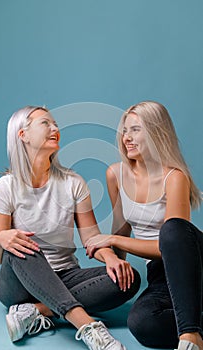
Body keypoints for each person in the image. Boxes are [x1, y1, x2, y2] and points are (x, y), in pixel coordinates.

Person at [0, 106, 141, 350]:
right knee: (23, 244)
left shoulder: (73, 183)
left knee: (127, 278)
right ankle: (88, 327)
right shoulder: (5, 187)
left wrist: (111, 258)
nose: (55, 129)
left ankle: (36, 311)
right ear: (22, 135)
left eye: (56, 124)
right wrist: (1, 239)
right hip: (18, 285)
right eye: (45, 123)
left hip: (65, 275)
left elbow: (91, 238)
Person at [86, 101, 203, 350]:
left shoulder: (174, 178)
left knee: (172, 229)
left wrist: (113, 240)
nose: (127, 137)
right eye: (125, 130)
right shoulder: (115, 174)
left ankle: (191, 336)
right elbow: (120, 233)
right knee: (141, 323)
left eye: (135, 130)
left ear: (156, 132)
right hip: (160, 275)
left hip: (193, 264)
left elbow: (170, 247)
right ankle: (193, 323)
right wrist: (110, 259)